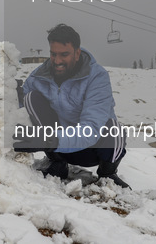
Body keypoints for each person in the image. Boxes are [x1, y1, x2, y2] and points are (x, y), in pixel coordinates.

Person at [13, 24, 130, 188]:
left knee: (114, 129)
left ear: (77, 53)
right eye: (53, 54)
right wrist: (10, 94)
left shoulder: (97, 77)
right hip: (57, 148)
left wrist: (51, 141)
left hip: (91, 150)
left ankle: (108, 174)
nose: (57, 61)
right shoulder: (39, 76)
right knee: (30, 98)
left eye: (64, 54)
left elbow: (91, 128)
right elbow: (20, 110)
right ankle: (58, 164)